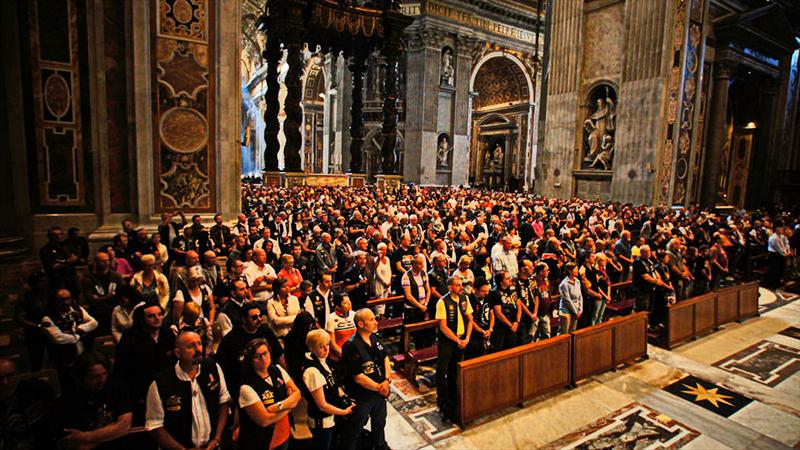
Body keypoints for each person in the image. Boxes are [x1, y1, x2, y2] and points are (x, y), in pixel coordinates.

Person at [146, 331, 230, 450]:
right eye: (191, 346)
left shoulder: (213, 368)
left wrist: (216, 438)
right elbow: (154, 426)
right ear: (177, 353)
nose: (198, 349)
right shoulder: (161, 382)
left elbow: (223, 402)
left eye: (199, 344)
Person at [113, 301, 176, 429]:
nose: (157, 318)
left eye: (160, 314)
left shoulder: (167, 334)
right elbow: (122, 370)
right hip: (140, 391)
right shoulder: (130, 338)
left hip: (165, 389)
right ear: (142, 319)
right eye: (151, 316)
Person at [52, 351, 132, 450]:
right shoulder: (68, 400)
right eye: (94, 376)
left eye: (104, 374)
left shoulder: (116, 388)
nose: (102, 380)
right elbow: (74, 444)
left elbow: (124, 427)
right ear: (80, 377)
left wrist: (86, 437)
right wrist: (111, 430)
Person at [340, 309, 391, 450]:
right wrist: (380, 387)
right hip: (362, 396)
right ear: (361, 324)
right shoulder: (350, 346)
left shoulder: (374, 337)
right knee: (355, 428)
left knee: (379, 423)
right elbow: (358, 377)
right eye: (371, 319)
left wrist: (386, 380)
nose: (376, 322)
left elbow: (385, 357)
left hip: (379, 393)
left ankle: (379, 446)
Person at [238, 338, 301, 450]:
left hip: (284, 433)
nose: (263, 358)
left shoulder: (277, 369)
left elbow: (297, 394)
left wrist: (278, 406)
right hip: (261, 441)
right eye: (258, 356)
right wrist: (289, 407)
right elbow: (264, 420)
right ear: (251, 360)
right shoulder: (246, 387)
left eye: (265, 353)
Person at [216, 303, 283, 408]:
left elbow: (279, 355)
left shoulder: (266, 331)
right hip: (244, 385)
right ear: (244, 320)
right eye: (254, 317)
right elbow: (223, 367)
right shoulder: (231, 339)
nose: (259, 319)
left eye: (260, 316)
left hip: (268, 379)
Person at [301, 329, 355, 450]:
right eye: (321, 347)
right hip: (321, 420)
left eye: (327, 345)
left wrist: (345, 397)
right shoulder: (312, 371)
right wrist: (344, 412)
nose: (326, 350)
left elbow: (333, 385)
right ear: (312, 348)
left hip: (330, 416)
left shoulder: (323, 361)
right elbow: (322, 405)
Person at [41, 288, 98, 384]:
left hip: (83, 357)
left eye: (68, 299)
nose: (66, 302)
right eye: (61, 300)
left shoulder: (78, 310)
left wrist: (76, 330)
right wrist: (80, 335)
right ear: (55, 301)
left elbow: (94, 323)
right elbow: (59, 338)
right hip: (63, 362)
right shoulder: (48, 318)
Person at [435, 276, 472, 421]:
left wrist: (467, 338)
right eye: (457, 285)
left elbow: (470, 320)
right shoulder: (442, 302)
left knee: (454, 369)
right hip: (448, 341)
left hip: (462, 339)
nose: (460, 288)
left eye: (461, 285)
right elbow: (443, 326)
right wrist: (457, 340)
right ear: (450, 287)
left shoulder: (464, 299)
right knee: (442, 370)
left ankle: (452, 396)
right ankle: (442, 399)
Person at [83, 251, 124, 335]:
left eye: (107, 260)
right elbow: (91, 300)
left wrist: (100, 298)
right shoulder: (88, 279)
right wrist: (109, 296)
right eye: (103, 261)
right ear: (96, 262)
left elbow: (123, 293)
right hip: (98, 313)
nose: (106, 263)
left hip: (115, 311)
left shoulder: (116, 276)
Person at [401, 254, 432, 350]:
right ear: (414, 264)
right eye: (420, 264)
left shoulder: (423, 273)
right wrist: (420, 306)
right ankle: (403, 353)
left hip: (422, 307)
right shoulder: (406, 276)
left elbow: (428, 290)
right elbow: (409, 296)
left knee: (420, 332)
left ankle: (420, 352)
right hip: (411, 309)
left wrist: (425, 304)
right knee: (406, 333)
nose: (422, 266)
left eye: (422, 264)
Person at [488, 271, 521, 350]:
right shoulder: (495, 293)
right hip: (501, 328)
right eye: (507, 278)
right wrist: (510, 325)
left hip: (514, 323)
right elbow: (498, 313)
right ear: (501, 282)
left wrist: (517, 321)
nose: (510, 280)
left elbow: (519, 305)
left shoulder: (512, 289)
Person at [466, 278, 493, 358]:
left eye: (487, 290)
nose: (486, 293)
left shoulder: (488, 297)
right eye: (483, 291)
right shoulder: (470, 299)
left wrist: (490, 329)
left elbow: (492, 314)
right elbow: (470, 320)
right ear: (475, 290)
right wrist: (482, 331)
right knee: (475, 351)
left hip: (488, 329)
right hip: (475, 332)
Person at [326, 293, 357, 365]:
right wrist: (346, 357)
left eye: (349, 301)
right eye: (345, 303)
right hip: (339, 355)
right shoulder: (331, 318)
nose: (349, 304)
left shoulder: (354, 315)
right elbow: (332, 344)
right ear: (338, 307)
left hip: (355, 353)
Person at [558, 263, 583, 334]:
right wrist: (575, 312)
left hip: (576, 310)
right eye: (576, 269)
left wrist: (580, 309)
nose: (577, 271)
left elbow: (580, 296)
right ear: (570, 271)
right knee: (564, 332)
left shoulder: (577, 281)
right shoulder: (564, 284)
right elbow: (567, 300)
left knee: (573, 331)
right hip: (566, 311)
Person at [532, 263, 552, 340]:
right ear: (541, 272)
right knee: (532, 335)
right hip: (536, 313)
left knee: (546, 335)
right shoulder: (532, 281)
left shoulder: (546, 280)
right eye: (547, 270)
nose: (548, 272)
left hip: (545, 313)